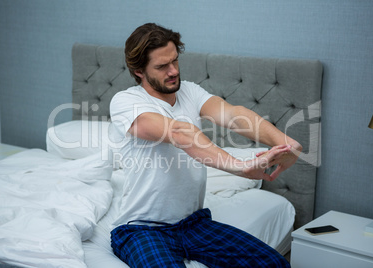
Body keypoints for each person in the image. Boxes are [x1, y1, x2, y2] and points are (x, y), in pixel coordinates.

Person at [109, 23, 301, 268]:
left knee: (274, 265)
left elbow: (234, 115)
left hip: (194, 224)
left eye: (175, 61)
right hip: (141, 230)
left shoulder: (190, 91)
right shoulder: (126, 101)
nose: (173, 71)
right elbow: (180, 133)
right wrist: (241, 167)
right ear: (138, 71)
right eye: (161, 66)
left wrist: (286, 145)